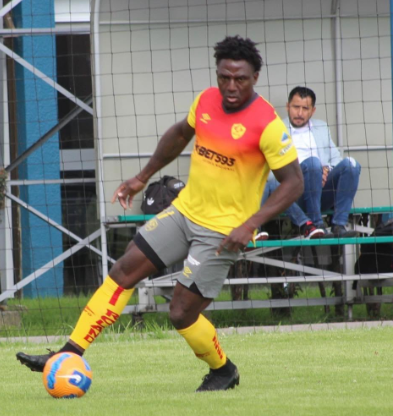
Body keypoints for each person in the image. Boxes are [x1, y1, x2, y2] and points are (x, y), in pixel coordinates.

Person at [16, 36, 303, 392]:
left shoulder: (268, 124)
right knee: (123, 270)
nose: (230, 86)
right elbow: (180, 134)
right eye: (224, 77)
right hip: (183, 214)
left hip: (223, 232)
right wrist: (141, 177)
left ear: (255, 77)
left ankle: (224, 370)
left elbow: (294, 184)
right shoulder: (205, 101)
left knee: (181, 312)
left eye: (240, 79)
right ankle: (67, 354)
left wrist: (250, 225)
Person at [262, 86, 361, 238]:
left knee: (351, 164)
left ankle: (339, 225)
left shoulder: (321, 127)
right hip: (291, 194)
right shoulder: (275, 129)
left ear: (312, 110)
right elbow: (266, 172)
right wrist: (297, 175)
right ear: (288, 106)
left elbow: (336, 158)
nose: (300, 113)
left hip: (321, 191)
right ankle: (316, 223)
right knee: (313, 164)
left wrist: (326, 170)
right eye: (296, 107)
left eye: (305, 108)